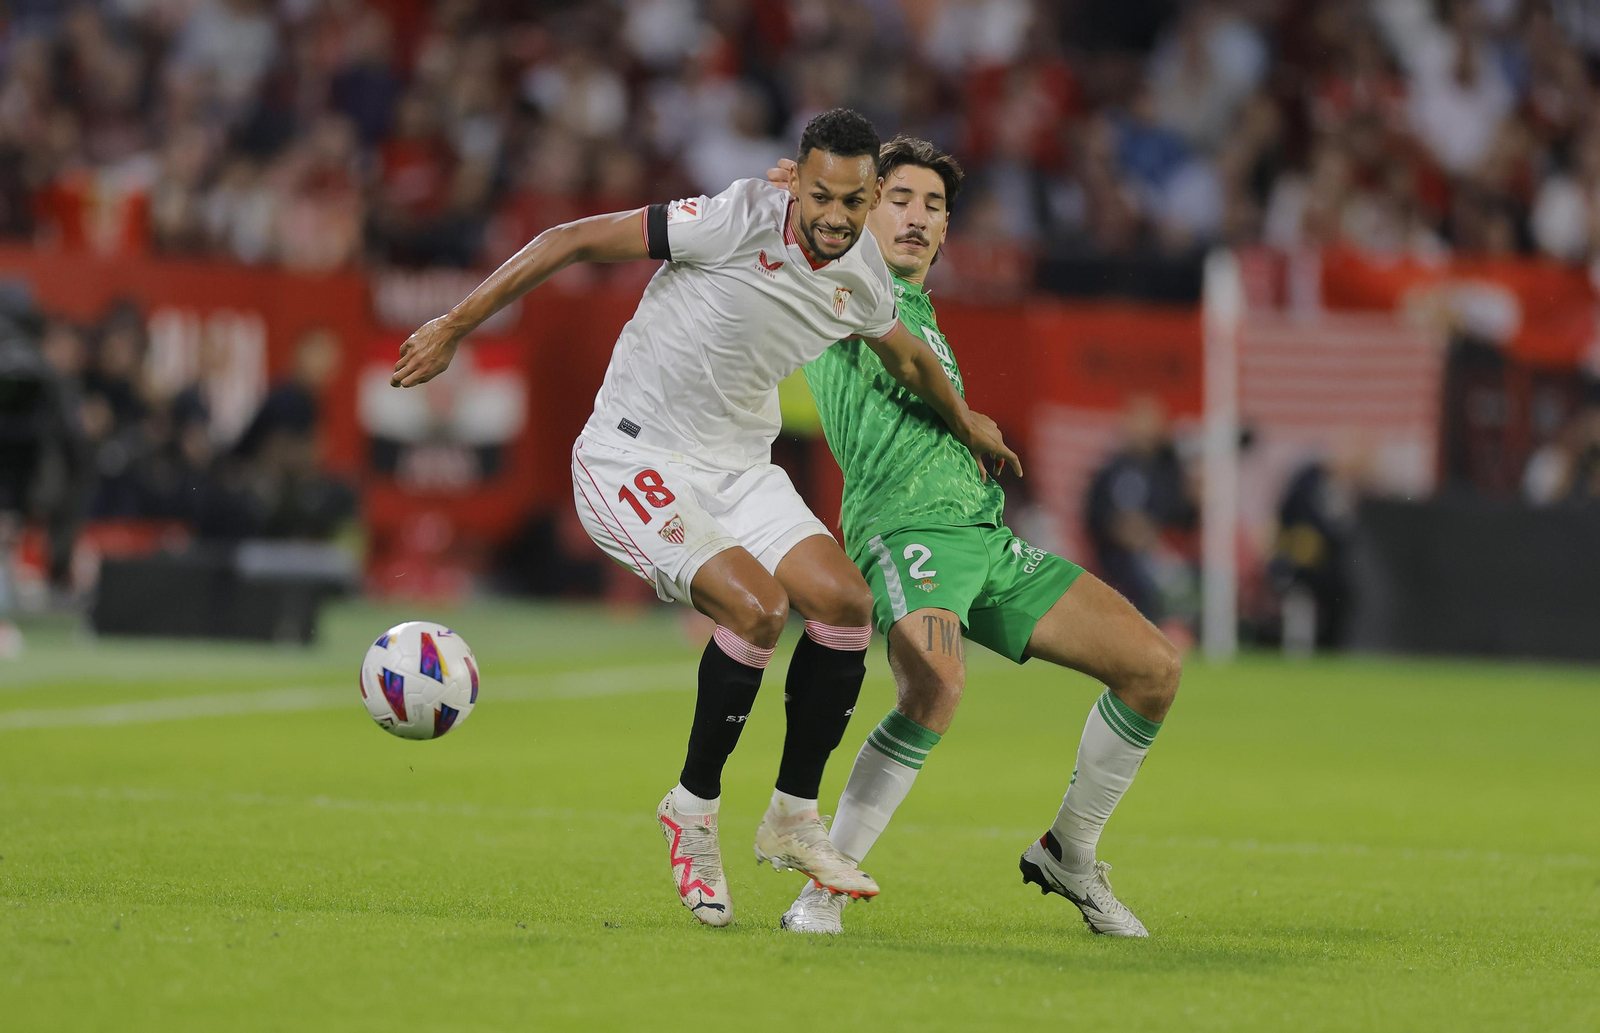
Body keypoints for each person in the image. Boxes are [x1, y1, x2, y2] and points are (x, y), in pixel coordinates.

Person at [391, 109, 1020, 927]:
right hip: (634, 455)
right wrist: (455, 324)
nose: (835, 217)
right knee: (758, 608)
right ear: (792, 181)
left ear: (871, 198)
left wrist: (963, 416)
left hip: (739, 467)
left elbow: (903, 352)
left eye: (854, 201)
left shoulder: (863, 270)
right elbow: (570, 238)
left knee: (845, 605)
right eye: (821, 195)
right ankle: (692, 807)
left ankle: (794, 815)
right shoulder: (732, 217)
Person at [770, 138, 1182, 937]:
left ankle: (1071, 848)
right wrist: (800, 196)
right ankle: (822, 887)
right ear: (861, 206)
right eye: (898, 200)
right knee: (937, 682)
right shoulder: (844, 277)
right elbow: (809, 232)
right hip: (904, 529)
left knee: (1153, 668)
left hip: (986, 542)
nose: (917, 218)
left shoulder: (924, 309)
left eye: (934, 206)